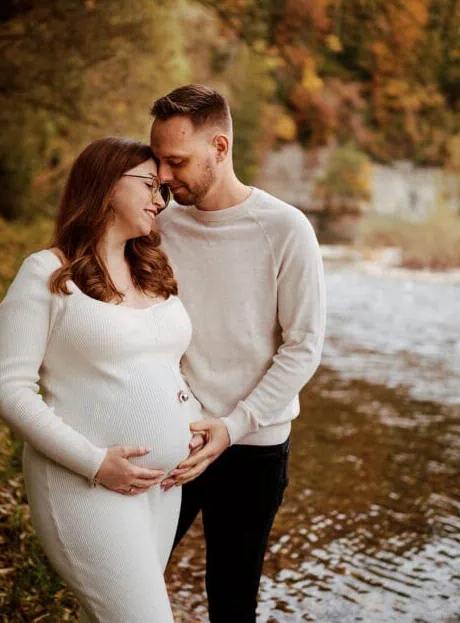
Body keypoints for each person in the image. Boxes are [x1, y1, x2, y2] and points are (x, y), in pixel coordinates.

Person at [0, 137, 204, 622]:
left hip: (162, 489)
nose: (159, 199)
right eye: (149, 185)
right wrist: (94, 463)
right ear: (105, 187)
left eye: (163, 191)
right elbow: (6, 389)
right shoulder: (46, 273)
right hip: (86, 485)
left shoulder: (150, 271)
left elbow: (167, 366)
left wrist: (195, 423)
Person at [151, 84, 327, 621]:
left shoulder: (286, 229)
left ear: (221, 148)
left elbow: (303, 348)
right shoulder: (157, 223)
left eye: (176, 161)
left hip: (253, 447)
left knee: (231, 601)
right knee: (130, 579)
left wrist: (234, 424)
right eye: (157, 160)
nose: (162, 175)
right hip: (169, 435)